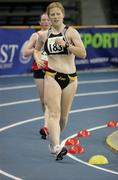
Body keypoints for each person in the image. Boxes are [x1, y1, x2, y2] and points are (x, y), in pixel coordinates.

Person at [34, 2, 86, 160]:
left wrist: (67, 45)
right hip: (51, 75)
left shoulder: (71, 32)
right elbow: (37, 49)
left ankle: (52, 142)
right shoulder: (43, 35)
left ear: (63, 15)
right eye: (52, 14)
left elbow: (83, 53)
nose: (55, 17)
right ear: (48, 17)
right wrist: (38, 58)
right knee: (53, 113)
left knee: (63, 118)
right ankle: (57, 147)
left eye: (58, 14)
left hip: (70, 78)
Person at [22, 13, 51, 139]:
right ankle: (49, 122)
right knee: (43, 101)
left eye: (47, 20)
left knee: (48, 100)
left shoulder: (55, 34)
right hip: (39, 69)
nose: (45, 22)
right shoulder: (36, 35)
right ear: (40, 23)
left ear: (51, 22)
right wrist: (37, 49)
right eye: (43, 20)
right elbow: (25, 53)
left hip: (53, 69)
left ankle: (47, 126)